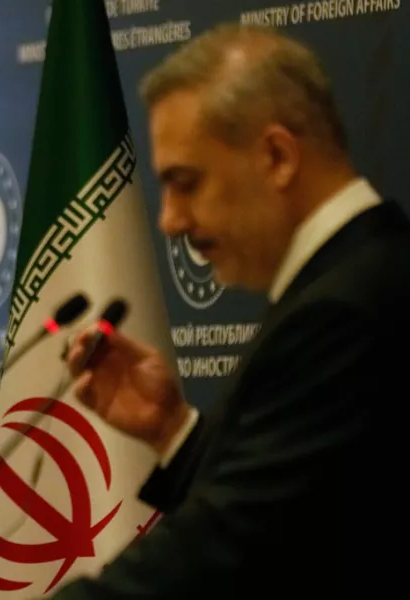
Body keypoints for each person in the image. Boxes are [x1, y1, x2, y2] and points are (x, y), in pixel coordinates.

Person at [50, 23, 406, 599]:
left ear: (277, 156)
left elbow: (228, 548)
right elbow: (297, 515)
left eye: (186, 183)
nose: (169, 220)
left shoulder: (344, 312)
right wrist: (173, 431)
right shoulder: (352, 280)